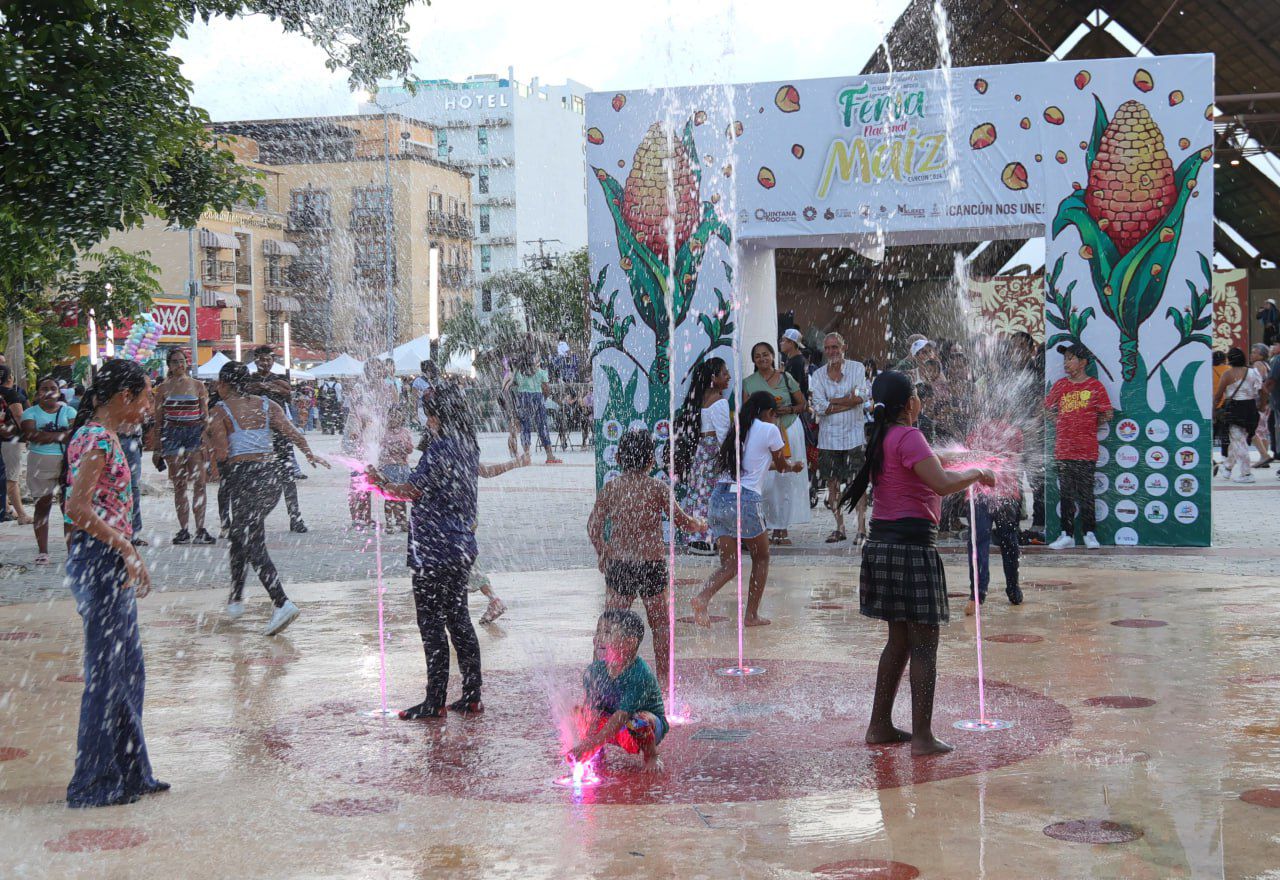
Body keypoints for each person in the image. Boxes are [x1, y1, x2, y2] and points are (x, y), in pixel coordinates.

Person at [839, 370, 995, 756]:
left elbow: (927, 463)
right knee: (925, 644)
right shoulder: (909, 435)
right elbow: (941, 483)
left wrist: (961, 456)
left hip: (883, 546)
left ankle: (879, 725)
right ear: (910, 403)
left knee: (899, 641)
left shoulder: (883, 436)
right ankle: (923, 737)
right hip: (912, 549)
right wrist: (977, 472)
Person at [368, 386, 527, 720]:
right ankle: (471, 695)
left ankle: (434, 700)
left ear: (436, 416)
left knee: (430, 624)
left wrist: (379, 484)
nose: (427, 420)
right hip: (460, 546)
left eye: (428, 414)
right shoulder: (469, 445)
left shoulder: (439, 448)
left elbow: (412, 490)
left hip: (432, 549)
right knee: (459, 620)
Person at [60, 358, 169, 807]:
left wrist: (125, 548)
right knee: (107, 674)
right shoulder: (96, 438)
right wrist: (124, 548)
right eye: (145, 396)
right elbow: (77, 509)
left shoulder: (102, 436)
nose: (149, 405)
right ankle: (93, 782)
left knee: (127, 671)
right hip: (100, 561)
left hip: (104, 558)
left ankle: (129, 772)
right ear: (124, 397)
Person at [209, 361, 328, 636]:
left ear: (224, 385)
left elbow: (223, 455)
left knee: (251, 541)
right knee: (242, 535)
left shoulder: (220, 411)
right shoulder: (266, 405)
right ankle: (236, 597)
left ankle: (281, 601)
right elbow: (293, 433)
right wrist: (309, 454)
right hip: (270, 476)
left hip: (243, 477)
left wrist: (209, 450)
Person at [588, 430, 704, 688]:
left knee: (611, 624)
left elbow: (593, 527)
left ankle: (602, 679)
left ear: (619, 457)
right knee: (660, 625)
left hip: (620, 564)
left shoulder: (612, 488)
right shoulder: (657, 488)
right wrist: (699, 525)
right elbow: (683, 522)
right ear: (651, 460)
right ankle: (663, 681)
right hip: (651, 564)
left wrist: (603, 551)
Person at [690, 391, 802, 628]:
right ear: (770, 413)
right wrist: (792, 467)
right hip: (746, 500)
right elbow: (780, 465)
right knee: (761, 557)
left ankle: (702, 598)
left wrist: (787, 468)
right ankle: (751, 615)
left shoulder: (737, 429)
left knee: (730, 565)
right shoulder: (770, 429)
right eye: (775, 415)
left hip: (719, 497)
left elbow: (755, 466)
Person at [567, 610, 667, 774]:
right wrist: (589, 743)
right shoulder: (594, 672)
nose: (598, 638)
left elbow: (622, 717)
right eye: (597, 632)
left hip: (643, 729)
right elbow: (593, 711)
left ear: (629, 643)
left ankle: (651, 756)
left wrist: (590, 744)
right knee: (582, 712)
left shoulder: (639, 674)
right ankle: (597, 755)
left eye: (607, 632)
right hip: (613, 726)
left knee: (638, 720)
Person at [1045, 343, 1113, 549]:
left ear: (1083, 362)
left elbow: (1108, 413)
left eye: (1070, 358)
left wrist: (1089, 424)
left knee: (1086, 493)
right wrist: (1060, 421)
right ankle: (1067, 534)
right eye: (1065, 359)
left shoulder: (1095, 386)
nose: (1066, 363)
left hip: (1086, 450)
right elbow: (1047, 409)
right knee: (1066, 493)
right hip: (1064, 450)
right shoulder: (1060, 386)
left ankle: (1089, 533)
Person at [742, 341, 810, 545]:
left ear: (772, 356)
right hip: (762, 433)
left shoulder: (785, 377)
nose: (762, 359)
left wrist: (786, 410)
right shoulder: (749, 382)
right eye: (757, 356)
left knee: (785, 480)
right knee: (767, 480)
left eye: (765, 354)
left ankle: (783, 527)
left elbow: (802, 404)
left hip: (788, 429)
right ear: (753, 360)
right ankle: (767, 525)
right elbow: (747, 410)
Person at [150, 349, 215, 545]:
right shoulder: (163, 389)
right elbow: (158, 421)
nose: (180, 364)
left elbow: (205, 416)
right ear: (169, 365)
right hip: (172, 436)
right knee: (179, 485)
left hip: (193, 434)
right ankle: (184, 529)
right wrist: (157, 448)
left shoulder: (198, 385)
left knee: (200, 483)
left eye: (182, 361)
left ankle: (200, 528)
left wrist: (206, 439)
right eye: (175, 361)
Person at [810, 333, 868, 544]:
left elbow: (861, 397)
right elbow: (819, 407)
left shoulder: (857, 368)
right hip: (829, 439)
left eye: (835, 347)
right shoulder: (818, 375)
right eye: (828, 348)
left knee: (857, 483)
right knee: (832, 485)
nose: (832, 351)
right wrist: (848, 401)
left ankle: (861, 528)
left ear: (844, 347)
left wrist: (832, 401)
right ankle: (840, 527)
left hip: (854, 436)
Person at [963, 415, 1024, 614]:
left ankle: (977, 594)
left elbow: (967, 457)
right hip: (1006, 492)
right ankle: (1013, 589)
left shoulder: (974, 433)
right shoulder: (1014, 432)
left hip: (979, 493)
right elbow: (1018, 450)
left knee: (978, 542)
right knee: (1009, 542)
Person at [246, 345, 307, 533]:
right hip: (256, 435)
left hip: (279, 434)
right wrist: (266, 386)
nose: (265, 363)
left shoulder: (279, 378)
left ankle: (295, 517)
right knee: (255, 478)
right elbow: (248, 390)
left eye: (269, 359)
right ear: (255, 360)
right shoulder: (249, 379)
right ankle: (254, 518)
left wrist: (267, 386)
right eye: (262, 359)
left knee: (287, 476)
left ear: (273, 361)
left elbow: (286, 391)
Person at [673, 357, 731, 555]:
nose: (729, 377)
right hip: (713, 451)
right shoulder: (720, 402)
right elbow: (723, 436)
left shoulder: (698, 397)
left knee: (699, 493)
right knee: (711, 496)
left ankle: (696, 536)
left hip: (700, 451)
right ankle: (708, 539)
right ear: (714, 378)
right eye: (725, 373)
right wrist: (731, 461)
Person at [21, 377, 75, 564]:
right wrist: (61, 435)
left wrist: (47, 436)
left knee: (67, 508)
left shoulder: (69, 410)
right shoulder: (30, 412)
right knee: (42, 506)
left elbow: (74, 434)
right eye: (44, 388)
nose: (49, 392)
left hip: (66, 462)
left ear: (59, 392)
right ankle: (42, 551)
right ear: (38, 393)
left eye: (53, 388)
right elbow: (31, 435)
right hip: (39, 463)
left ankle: (72, 552)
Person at [1216, 347, 1262, 484]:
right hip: (1251, 408)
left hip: (1235, 408)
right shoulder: (1253, 372)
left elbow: (1218, 396)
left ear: (1230, 359)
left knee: (1238, 441)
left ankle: (1246, 474)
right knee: (1238, 440)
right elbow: (1262, 389)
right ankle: (1228, 467)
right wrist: (1262, 404)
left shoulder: (1228, 374)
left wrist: (1213, 410)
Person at [512, 350, 562, 465]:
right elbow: (546, 388)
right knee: (542, 426)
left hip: (523, 397)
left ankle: (526, 455)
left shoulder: (519, 372)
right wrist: (543, 398)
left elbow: (515, 384)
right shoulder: (541, 372)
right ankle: (549, 455)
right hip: (537, 397)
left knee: (525, 426)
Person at [0, 365, 32, 524]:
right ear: (10, 378)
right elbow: (19, 415)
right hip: (11, 440)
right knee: (12, 478)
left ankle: (6, 509)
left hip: (4, 439)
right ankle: (21, 514)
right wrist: (28, 434)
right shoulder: (10, 393)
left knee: (4, 476)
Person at [378, 405, 414, 533]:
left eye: (397, 416)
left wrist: (404, 448)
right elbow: (381, 451)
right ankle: (389, 523)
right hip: (389, 468)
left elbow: (410, 449)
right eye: (392, 416)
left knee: (402, 496)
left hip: (402, 467)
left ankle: (402, 520)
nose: (394, 419)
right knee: (389, 496)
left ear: (402, 418)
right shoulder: (384, 432)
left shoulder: (405, 432)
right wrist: (390, 449)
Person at [1249, 344, 1272, 467]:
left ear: (1261, 355)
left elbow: (1258, 385)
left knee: (1254, 430)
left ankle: (1264, 455)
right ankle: (1264, 457)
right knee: (1263, 430)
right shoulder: (1267, 365)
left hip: (1259, 402)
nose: (1251, 355)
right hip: (1267, 401)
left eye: (1254, 353)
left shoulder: (1257, 365)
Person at [779, 328, 810, 401]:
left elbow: (796, 386)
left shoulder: (798, 362)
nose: (780, 343)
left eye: (783, 340)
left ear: (791, 343)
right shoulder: (792, 358)